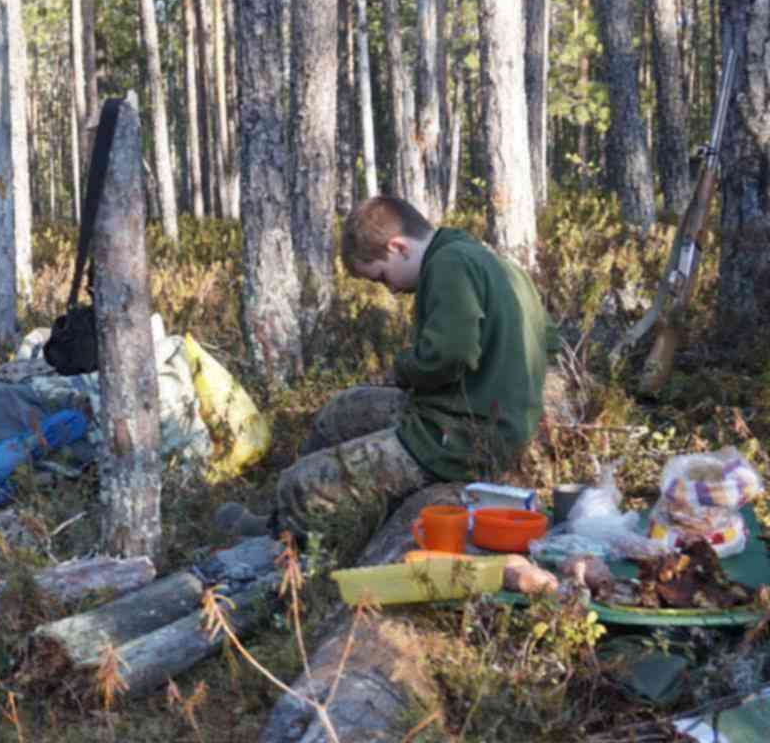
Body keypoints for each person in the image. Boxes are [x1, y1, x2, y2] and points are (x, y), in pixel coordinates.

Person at [216, 195, 556, 542]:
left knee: (301, 484)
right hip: (463, 418)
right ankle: (279, 519)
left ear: (398, 247)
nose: (390, 289)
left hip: (458, 439)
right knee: (341, 411)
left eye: (381, 277)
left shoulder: (449, 265)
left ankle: (292, 545)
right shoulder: (492, 263)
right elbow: (549, 339)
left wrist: (402, 370)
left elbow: (449, 355)